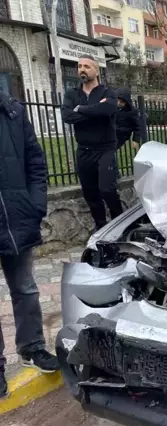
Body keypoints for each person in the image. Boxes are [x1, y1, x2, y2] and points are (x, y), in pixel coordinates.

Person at [0, 92, 60, 398]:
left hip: (16, 218)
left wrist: (34, 205)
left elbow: (36, 162)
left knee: (25, 288)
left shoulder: (13, 111)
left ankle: (32, 347)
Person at [62, 55, 123, 231]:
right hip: (84, 151)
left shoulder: (108, 93)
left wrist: (80, 109)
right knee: (90, 193)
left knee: (107, 190)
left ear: (96, 70)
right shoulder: (72, 93)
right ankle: (101, 228)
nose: (82, 69)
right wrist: (94, 112)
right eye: (80, 66)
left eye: (87, 66)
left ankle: (119, 225)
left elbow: (108, 109)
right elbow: (67, 116)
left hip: (105, 149)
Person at [115, 87, 141, 151]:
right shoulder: (114, 107)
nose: (119, 103)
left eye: (121, 102)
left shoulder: (132, 111)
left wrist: (135, 140)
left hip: (122, 135)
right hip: (112, 133)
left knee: (110, 150)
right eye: (118, 100)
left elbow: (137, 127)